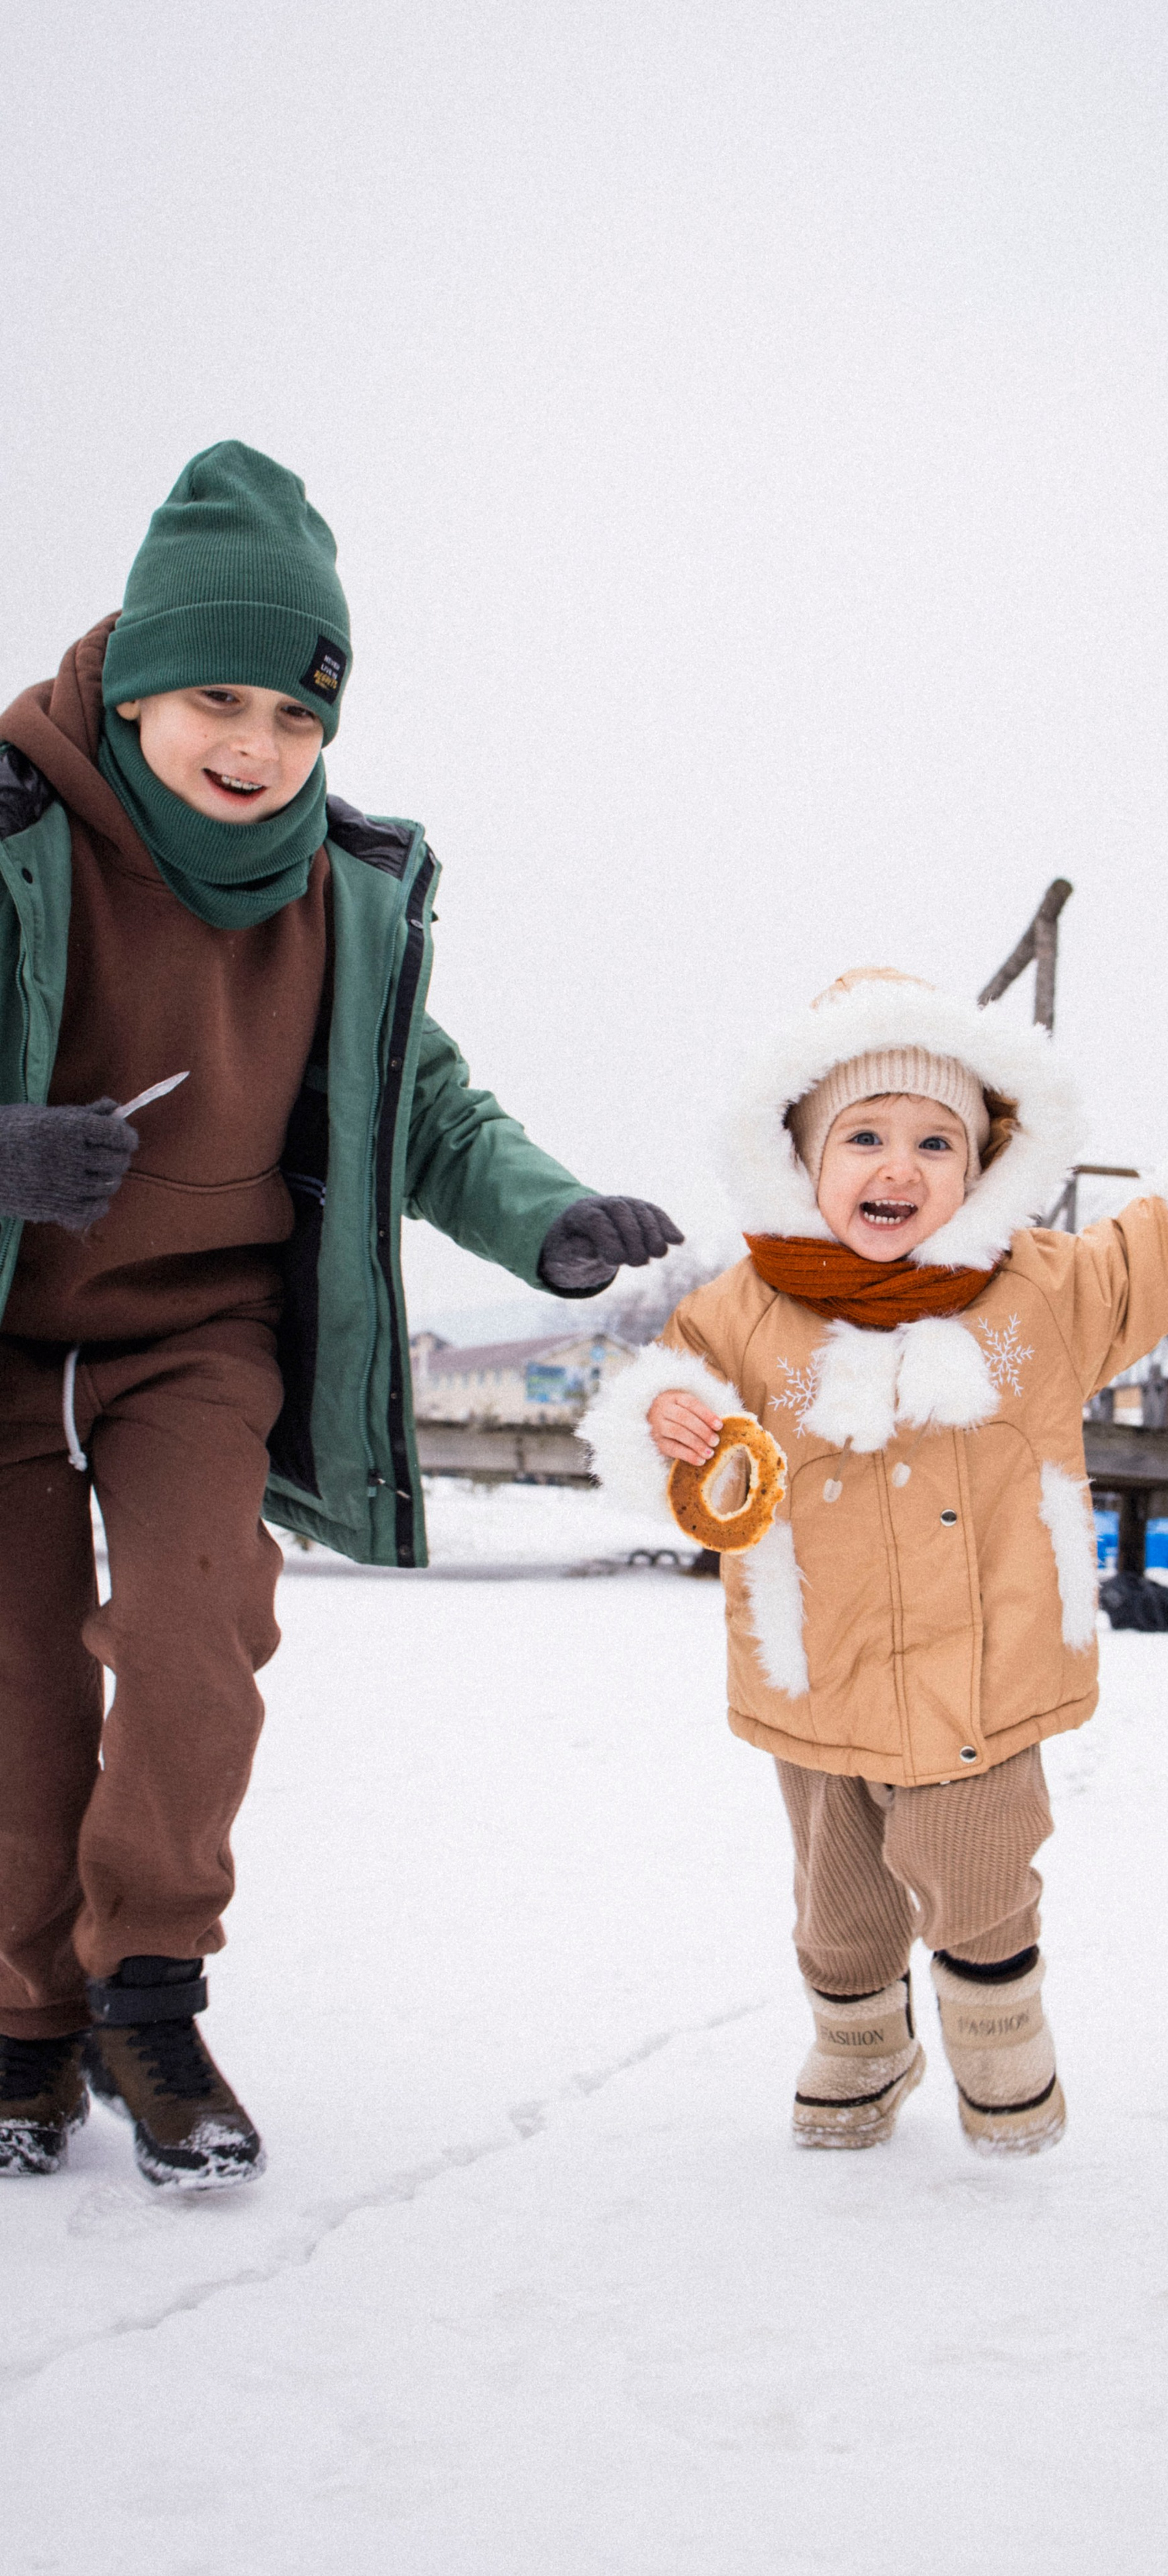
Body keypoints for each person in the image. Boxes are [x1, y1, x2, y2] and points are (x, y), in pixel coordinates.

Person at [0, 441, 681, 2190]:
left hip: (200, 1337)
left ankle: (148, 1995)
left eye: (297, 719)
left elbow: (431, 1112)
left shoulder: (337, 895)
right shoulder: (12, 829)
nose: (256, 747)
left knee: (194, 1628)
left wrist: (551, 1221)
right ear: (140, 681)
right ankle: (19, 2028)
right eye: (217, 698)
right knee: (11, 1686)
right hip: (5, 1327)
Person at [585, 967, 1168, 2153]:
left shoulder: (1039, 1296)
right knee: (840, 1902)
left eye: (936, 1141)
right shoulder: (741, 1311)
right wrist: (667, 1425)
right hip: (817, 1671)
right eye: (863, 1135)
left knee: (979, 1870)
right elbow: (676, 1421)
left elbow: (1157, 1249)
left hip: (986, 1676)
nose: (898, 1167)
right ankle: (861, 2037)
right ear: (801, 1155)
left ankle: (998, 2023)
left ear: (985, 1169)